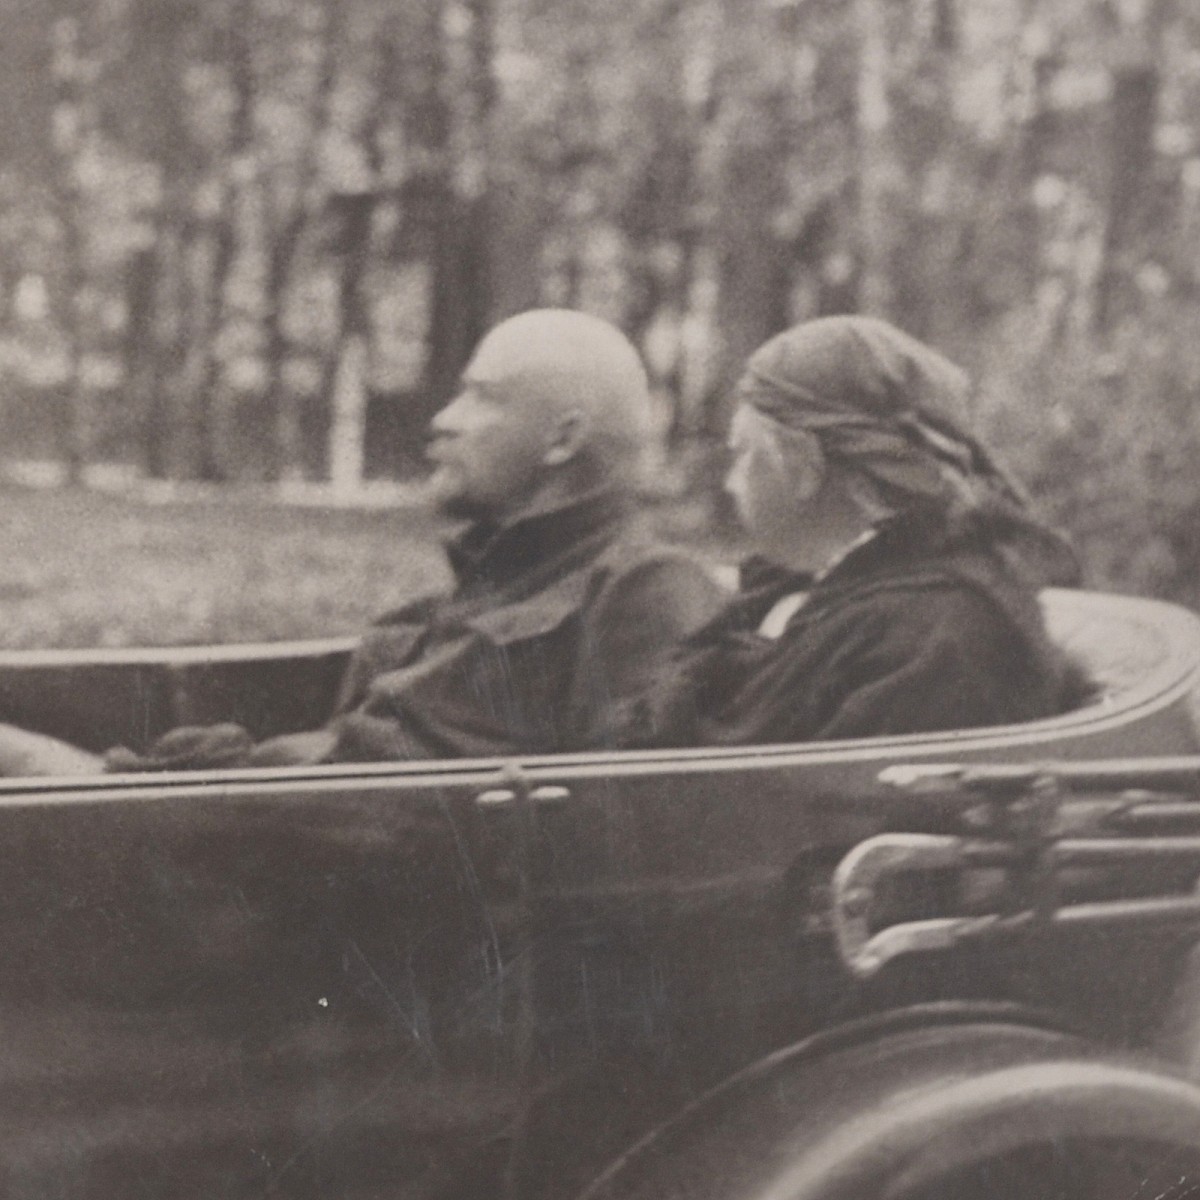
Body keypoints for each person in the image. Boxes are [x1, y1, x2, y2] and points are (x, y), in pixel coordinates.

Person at [0, 309, 724, 774]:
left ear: (563, 438)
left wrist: (91, 775)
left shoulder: (645, 591)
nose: (442, 419)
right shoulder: (486, 591)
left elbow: (629, 836)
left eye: (483, 397)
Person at [610, 314, 1088, 750]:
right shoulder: (816, 590)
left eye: (744, 455)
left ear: (804, 467)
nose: (733, 484)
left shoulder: (938, 637)